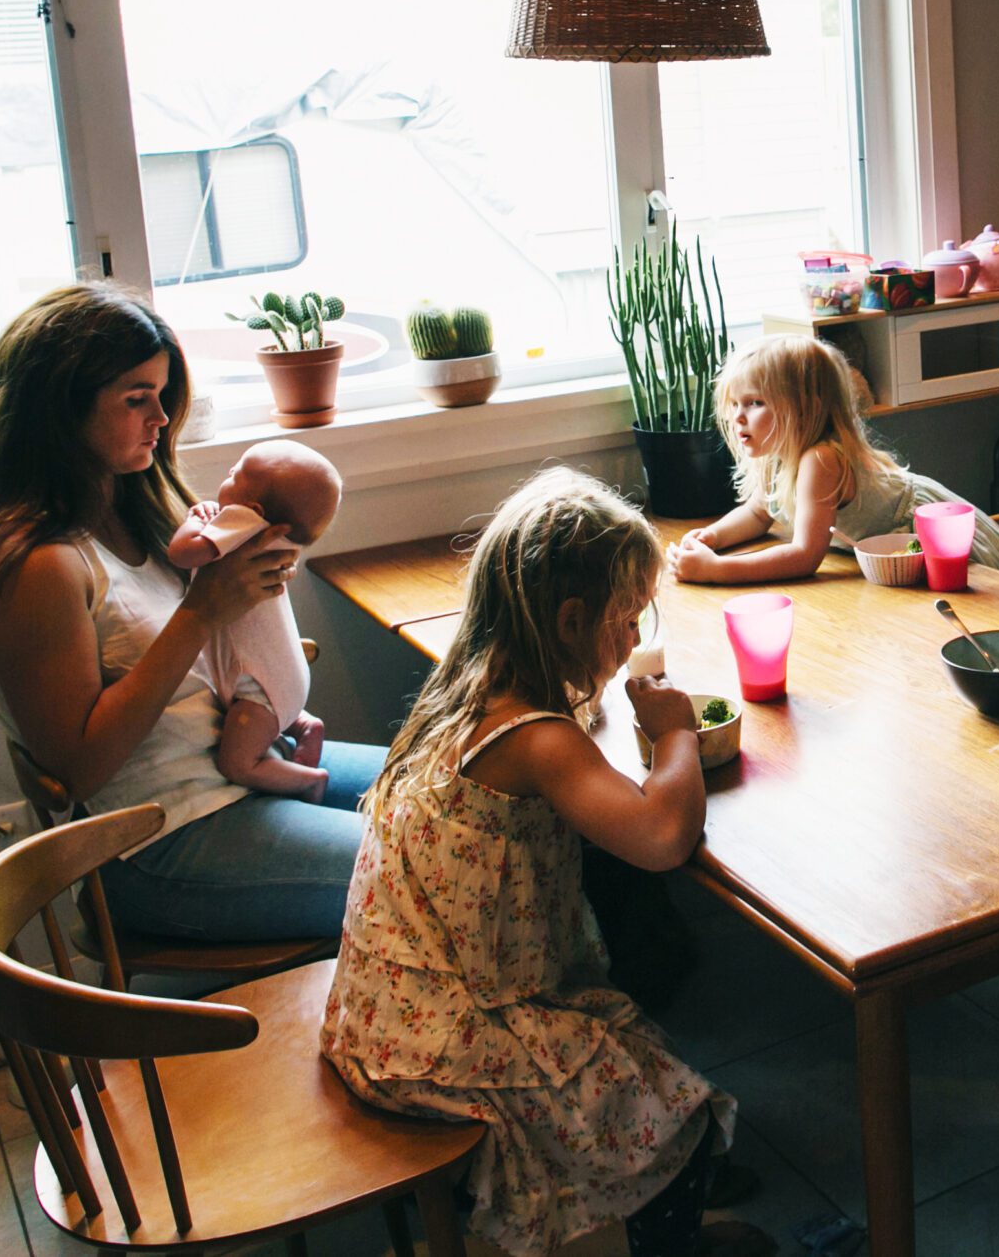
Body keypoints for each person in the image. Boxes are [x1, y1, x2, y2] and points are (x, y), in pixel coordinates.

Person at [321, 469, 769, 1257]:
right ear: (570, 620)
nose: (634, 639)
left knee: (628, 1031)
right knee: (675, 1112)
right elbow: (663, 837)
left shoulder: (463, 691)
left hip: (385, 1009)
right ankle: (661, 1233)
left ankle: (615, 1213)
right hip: (443, 1039)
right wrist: (674, 732)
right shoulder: (536, 735)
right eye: (626, 620)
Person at [0, 283, 387, 943]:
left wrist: (264, 654)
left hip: (235, 777)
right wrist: (202, 614)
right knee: (427, 865)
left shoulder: (141, 511)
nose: (161, 416)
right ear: (60, 411)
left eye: (162, 393)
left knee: (469, 795)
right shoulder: (37, 566)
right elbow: (79, 770)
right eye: (136, 399)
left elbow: (217, 655)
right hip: (156, 842)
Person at [669, 335, 999, 584]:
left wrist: (717, 570)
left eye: (754, 403)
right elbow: (759, 513)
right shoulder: (779, 455)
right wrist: (713, 538)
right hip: (892, 559)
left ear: (802, 408)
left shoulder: (820, 459)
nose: (738, 417)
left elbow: (805, 556)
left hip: (937, 542)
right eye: (734, 404)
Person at [165, 439, 343, 802]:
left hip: (259, 692)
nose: (228, 473)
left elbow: (182, 554)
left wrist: (193, 520)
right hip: (286, 680)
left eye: (237, 473)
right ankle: (304, 725)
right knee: (274, 716)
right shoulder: (275, 541)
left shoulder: (242, 524)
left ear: (254, 508)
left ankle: (308, 780)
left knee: (238, 764)